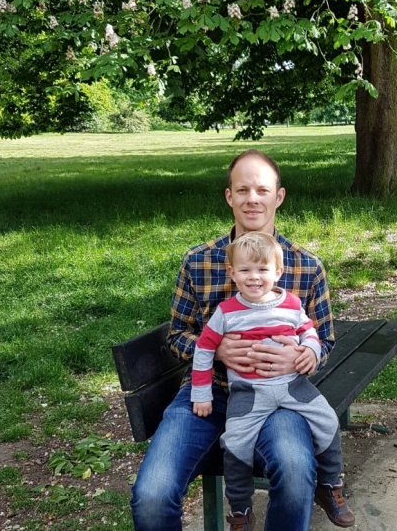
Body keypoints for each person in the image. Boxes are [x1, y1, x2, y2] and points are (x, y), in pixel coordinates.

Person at [131, 149, 343, 531]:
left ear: (278, 196)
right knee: (152, 496)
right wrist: (215, 350)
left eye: (262, 189)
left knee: (296, 474)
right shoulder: (199, 261)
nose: (252, 198)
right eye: (242, 189)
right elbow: (176, 335)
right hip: (206, 396)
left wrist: (300, 358)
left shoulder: (306, 266)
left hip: (279, 397)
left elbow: (325, 341)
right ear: (229, 196)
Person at [191, 231, 355, 529]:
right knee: (235, 445)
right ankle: (240, 511)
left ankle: (330, 485)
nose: (254, 277)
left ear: (278, 272)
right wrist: (201, 393)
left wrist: (310, 351)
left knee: (329, 421)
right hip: (249, 392)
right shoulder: (226, 313)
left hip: (293, 385)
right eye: (245, 270)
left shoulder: (290, 304)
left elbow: (310, 332)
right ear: (232, 273)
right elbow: (203, 348)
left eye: (263, 270)